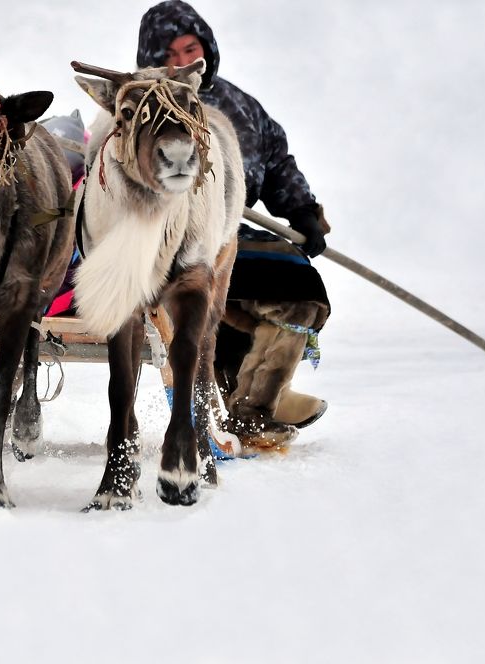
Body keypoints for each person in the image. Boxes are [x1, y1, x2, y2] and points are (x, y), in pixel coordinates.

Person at [137, 1, 332, 450]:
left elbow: (277, 159)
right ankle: (254, 406)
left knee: (295, 282)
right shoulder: (146, 105)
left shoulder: (239, 105)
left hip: (233, 234)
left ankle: (256, 399)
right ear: (153, 59)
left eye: (193, 49)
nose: (186, 62)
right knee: (285, 284)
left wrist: (302, 209)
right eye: (172, 55)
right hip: (167, 240)